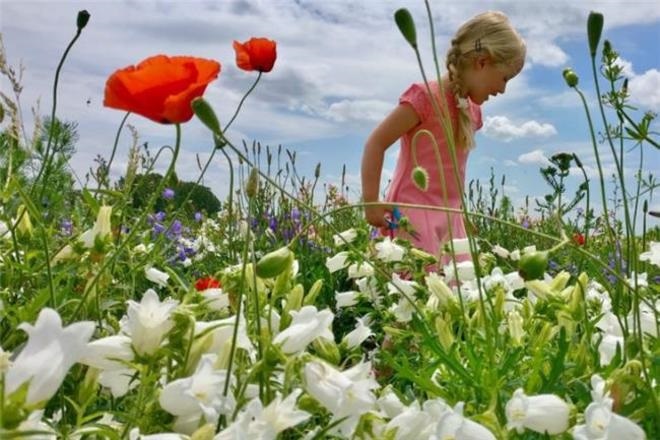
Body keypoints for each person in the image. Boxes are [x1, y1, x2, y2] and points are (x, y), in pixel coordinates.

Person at [361, 11, 525, 262]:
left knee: (455, 296)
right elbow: (376, 142)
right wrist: (371, 201)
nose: (503, 89)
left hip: (451, 222)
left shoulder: (472, 112)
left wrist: (462, 216)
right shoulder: (425, 98)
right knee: (418, 291)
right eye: (504, 78)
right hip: (413, 216)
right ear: (482, 62)